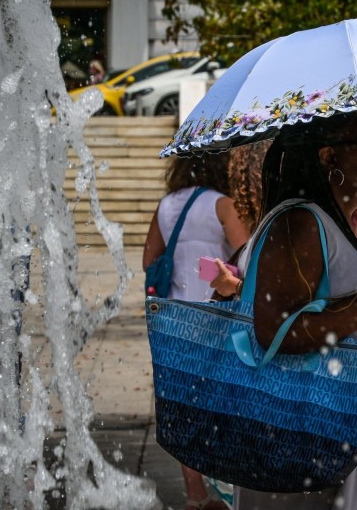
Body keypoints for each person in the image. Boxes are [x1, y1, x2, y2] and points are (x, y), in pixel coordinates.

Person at [231, 112, 357, 510]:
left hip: (345, 444)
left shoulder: (323, 223)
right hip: (317, 449)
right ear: (329, 158)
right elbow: (274, 331)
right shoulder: (299, 222)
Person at [142, 152, 248, 510]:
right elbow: (247, 257)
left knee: (184, 405)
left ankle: (195, 496)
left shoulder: (167, 205)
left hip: (174, 317)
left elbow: (148, 260)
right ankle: (226, 491)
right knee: (223, 403)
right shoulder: (222, 204)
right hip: (216, 317)